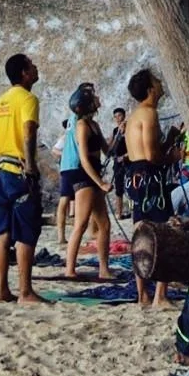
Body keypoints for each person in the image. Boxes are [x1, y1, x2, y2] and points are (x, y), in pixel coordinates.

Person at [0, 54, 44, 306]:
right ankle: (26, 292)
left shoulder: (3, 100)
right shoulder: (28, 99)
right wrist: (29, 165)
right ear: (24, 73)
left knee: (3, 231)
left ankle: (2, 291)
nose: (36, 67)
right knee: (26, 231)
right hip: (18, 173)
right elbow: (29, 130)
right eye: (32, 65)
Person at [125, 68, 175, 308]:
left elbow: (145, 151)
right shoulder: (150, 114)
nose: (161, 82)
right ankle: (160, 296)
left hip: (136, 175)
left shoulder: (134, 116)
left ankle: (142, 294)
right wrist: (172, 157)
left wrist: (169, 140)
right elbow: (153, 156)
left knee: (140, 234)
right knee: (163, 234)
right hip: (151, 177)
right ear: (150, 89)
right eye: (157, 80)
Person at [62, 84, 112, 282]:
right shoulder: (82, 126)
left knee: (105, 225)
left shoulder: (94, 125)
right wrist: (100, 183)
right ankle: (69, 269)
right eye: (94, 97)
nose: (98, 98)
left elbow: (108, 151)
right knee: (81, 223)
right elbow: (83, 158)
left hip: (94, 175)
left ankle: (104, 269)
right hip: (86, 176)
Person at [52, 119, 71, 244]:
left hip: (69, 169)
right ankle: (61, 236)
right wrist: (66, 154)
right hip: (69, 169)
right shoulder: (66, 137)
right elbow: (54, 150)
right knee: (64, 200)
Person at [108, 108, 128, 218]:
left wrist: (126, 156)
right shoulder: (115, 131)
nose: (118, 118)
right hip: (118, 162)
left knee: (131, 186)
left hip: (129, 161)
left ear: (124, 116)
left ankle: (134, 211)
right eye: (115, 117)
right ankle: (118, 213)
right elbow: (110, 146)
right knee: (118, 187)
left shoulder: (130, 129)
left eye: (119, 116)